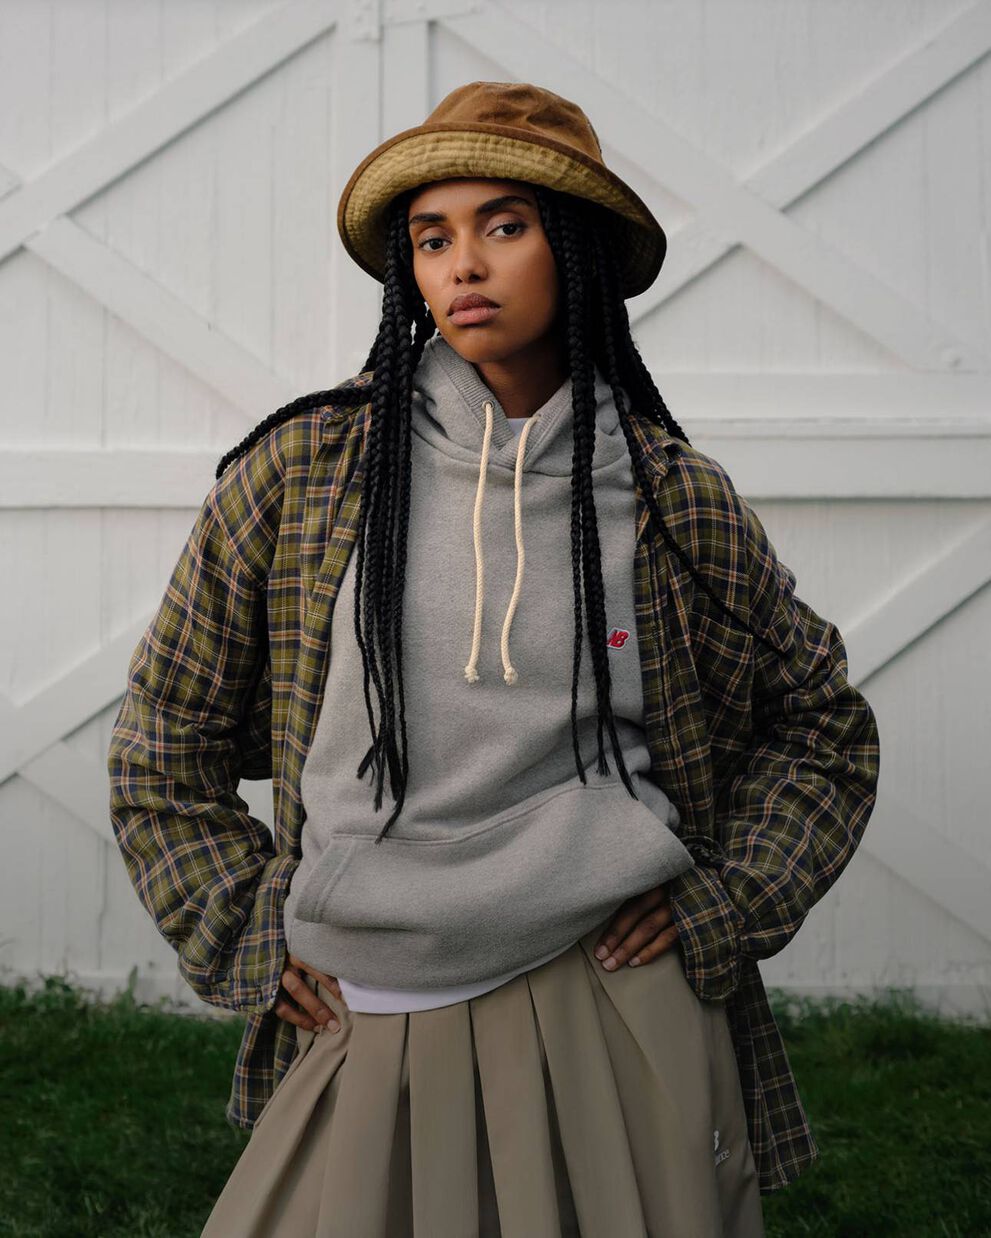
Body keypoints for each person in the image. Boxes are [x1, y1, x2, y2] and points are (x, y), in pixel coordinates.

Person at [108, 81, 880, 1237]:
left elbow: (823, 726)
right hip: (366, 1001)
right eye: (433, 236)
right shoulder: (307, 473)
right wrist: (247, 926)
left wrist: (724, 901)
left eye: (504, 225)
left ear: (573, 250)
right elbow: (162, 737)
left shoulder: (664, 495)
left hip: (610, 996)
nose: (463, 262)